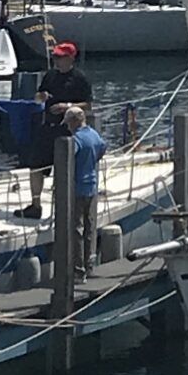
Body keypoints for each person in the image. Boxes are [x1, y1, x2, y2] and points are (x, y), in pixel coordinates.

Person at [22, 38, 92, 218]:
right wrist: (42, 96)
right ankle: (35, 205)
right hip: (47, 127)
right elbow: (38, 96)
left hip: (68, 130)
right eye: (55, 57)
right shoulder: (50, 75)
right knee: (36, 166)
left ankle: (63, 207)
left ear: (70, 58)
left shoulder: (80, 78)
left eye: (60, 57)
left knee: (64, 170)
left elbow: (88, 105)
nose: (56, 61)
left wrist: (66, 106)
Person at [65, 104, 108, 276]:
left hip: (77, 188)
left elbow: (68, 158)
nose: (67, 126)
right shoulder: (94, 134)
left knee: (77, 229)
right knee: (90, 227)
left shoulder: (75, 140)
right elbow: (102, 147)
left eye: (68, 122)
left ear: (74, 121)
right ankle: (90, 264)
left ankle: (78, 268)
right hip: (91, 186)